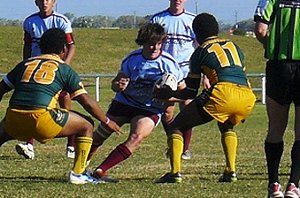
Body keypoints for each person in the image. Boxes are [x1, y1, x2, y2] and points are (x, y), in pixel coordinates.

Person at [0, 28, 121, 184]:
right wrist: (106, 121)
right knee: (87, 125)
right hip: (42, 120)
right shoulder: (64, 68)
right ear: (64, 49)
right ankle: (78, 174)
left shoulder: (25, 64)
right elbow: (86, 101)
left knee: (2, 133)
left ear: (42, 48)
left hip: (14, 120)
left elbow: (1, 89)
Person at [153, 13, 256, 183]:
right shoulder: (234, 46)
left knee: (177, 126)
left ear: (196, 34)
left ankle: (174, 173)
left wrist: (169, 94)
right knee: (226, 125)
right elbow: (239, 72)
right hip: (246, 94)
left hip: (223, 93)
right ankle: (230, 171)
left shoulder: (199, 52)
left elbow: (190, 92)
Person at [86, 23, 184, 182]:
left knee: (137, 137)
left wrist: (168, 96)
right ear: (143, 42)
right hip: (125, 102)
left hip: (149, 108)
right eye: (152, 43)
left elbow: (184, 93)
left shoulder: (169, 63)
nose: (155, 48)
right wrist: (118, 85)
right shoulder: (131, 59)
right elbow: (115, 84)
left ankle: (101, 171)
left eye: (159, 44)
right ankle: (81, 168)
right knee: (99, 135)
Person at [16, 0, 76, 160]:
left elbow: (71, 45)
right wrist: (26, 64)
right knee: (33, 104)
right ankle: (29, 144)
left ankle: (71, 143)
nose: (45, 2)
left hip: (55, 68)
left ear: (54, 2)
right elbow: (27, 45)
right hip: (36, 70)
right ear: (36, 2)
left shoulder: (61, 21)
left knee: (64, 98)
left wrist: (64, 66)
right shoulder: (29, 22)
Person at [254, 0, 300, 197]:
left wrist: (274, 47)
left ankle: (274, 184)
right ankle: (294, 185)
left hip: (278, 68)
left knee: (275, 128)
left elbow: (261, 30)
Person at [150, 0, 198, 160]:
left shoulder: (192, 20)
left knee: (188, 109)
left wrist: (202, 74)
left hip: (187, 72)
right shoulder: (158, 19)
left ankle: (185, 148)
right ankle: (173, 141)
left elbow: (199, 48)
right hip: (166, 74)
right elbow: (151, 45)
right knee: (167, 112)